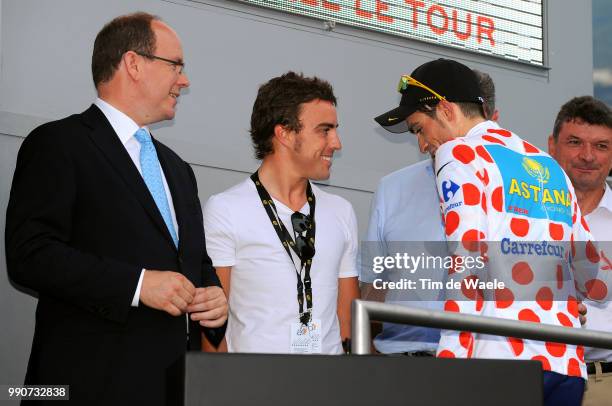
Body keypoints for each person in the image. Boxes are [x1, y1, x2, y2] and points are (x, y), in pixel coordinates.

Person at [5, 12, 227, 405]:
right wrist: (139, 285)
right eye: (176, 65)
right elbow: (30, 256)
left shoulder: (178, 170)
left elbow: (193, 262)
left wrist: (212, 296)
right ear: (133, 64)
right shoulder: (58, 144)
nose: (184, 80)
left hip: (171, 388)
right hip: (82, 386)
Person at [374, 58, 610, 406]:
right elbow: (597, 281)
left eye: (419, 128)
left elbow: (466, 263)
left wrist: (450, 362)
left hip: (497, 364)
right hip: (564, 365)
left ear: (446, 109)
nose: (423, 144)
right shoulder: (545, 163)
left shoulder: (458, 155)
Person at [203, 72, 360, 354]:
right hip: (254, 388)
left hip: (330, 385)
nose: (336, 143)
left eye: (335, 129)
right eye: (324, 130)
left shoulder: (342, 211)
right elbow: (212, 322)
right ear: (284, 133)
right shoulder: (225, 209)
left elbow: (347, 316)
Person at [360, 70, 498, 355]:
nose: (422, 145)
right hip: (399, 366)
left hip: (481, 366)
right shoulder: (391, 188)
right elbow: (371, 289)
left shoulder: (512, 184)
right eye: (416, 132)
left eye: (420, 129)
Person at [548, 96, 612, 406]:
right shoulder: (520, 214)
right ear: (552, 146)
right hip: (537, 375)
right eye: (575, 142)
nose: (588, 156)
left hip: (606, 385)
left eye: (601, 146)